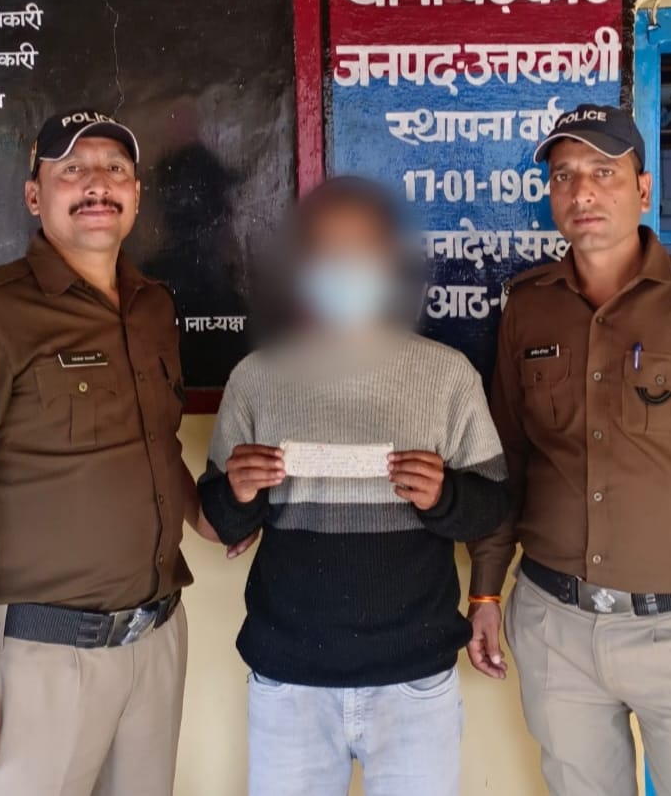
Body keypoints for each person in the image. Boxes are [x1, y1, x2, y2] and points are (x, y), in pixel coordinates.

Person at [466, 105, 671, 796]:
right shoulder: (527, 306)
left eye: (603, 172)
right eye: (564, 176)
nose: (582, 191)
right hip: (553, 625)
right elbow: (507, 461)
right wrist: (487, 588)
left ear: (642, 189)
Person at [0, 108, 219, 796]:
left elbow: (156, 443)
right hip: (43, 657)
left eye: (115, 169)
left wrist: (203, 515)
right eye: (72, 169)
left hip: (157, 639)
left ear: (136, 195)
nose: (97, 183)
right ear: (34, 196)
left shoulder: (153, 307)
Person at [199, 178, 511, 796]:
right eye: (326, 251)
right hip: (290, 681)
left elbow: (492, 506)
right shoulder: (257, 377)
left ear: (390, 260)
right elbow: (219, 522)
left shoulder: (447, 375)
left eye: (361, 250)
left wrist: (444, 496)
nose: (344, 267)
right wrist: (238, 490)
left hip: (414, 680)